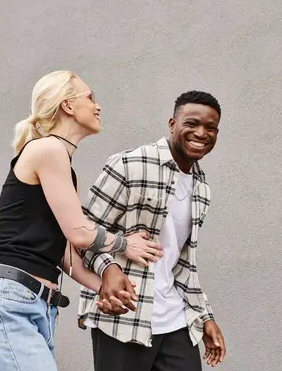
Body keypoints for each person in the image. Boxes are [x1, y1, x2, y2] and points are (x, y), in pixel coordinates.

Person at [0, 70, 163, 371]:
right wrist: (125, 244)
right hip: (8, 305)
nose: (98, 106)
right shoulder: (47, 150)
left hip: (35, 307)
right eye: (90, 97)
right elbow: (80, 233)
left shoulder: (64, 166)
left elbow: (67, 256)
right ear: (67, 106)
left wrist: (106, 289)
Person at [78, 91, 227, 370]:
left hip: (176, 320)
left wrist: (205, 316)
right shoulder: (128, 164)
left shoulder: (201, 189)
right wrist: (109, 269)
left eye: (211, 128)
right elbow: (82, 233)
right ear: (172, 124)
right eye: (192, 123)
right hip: (124, 316)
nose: (201, 133)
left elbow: (181, 264)